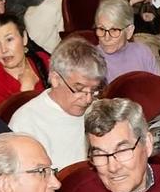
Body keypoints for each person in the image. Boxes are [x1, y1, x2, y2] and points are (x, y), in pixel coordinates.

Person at [8, 37, 107, 169]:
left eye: (94, 90)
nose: (88, 99)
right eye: (79, 90)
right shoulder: (26, 124)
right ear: (55, 79)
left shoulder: (96, 108)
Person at [0, 13, 49, 110]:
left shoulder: (42, 59)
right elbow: (6, 122)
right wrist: (26, 89)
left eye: (9, 39)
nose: (3, 50)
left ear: (24, 38)